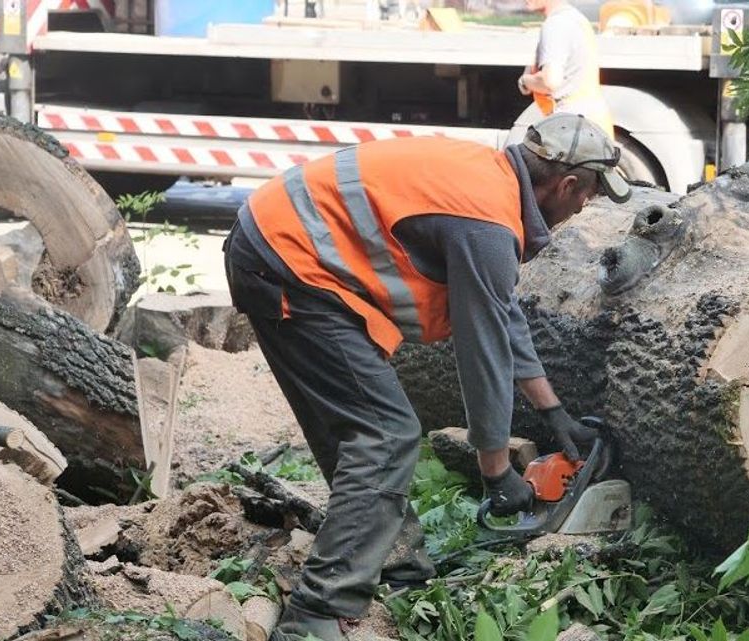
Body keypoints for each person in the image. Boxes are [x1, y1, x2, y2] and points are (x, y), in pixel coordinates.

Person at [223, 113, 630, 641]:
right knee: (385, 434)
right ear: (567, 184)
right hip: (292, 264)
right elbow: (483, 351)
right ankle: (316, 615)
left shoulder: (488, 184)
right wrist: (495, 471)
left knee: (356, 431)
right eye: (590, 193)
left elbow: (502, 316)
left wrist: (554, 413)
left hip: (273, 249)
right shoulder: (485, 221)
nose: (585, 206)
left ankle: (397, 564)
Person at [518, 0, 614, 137]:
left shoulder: (556, 24)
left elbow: (550, 81)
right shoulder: (576, 19)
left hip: (571, 129)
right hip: (589, 125)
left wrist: (525, 81)